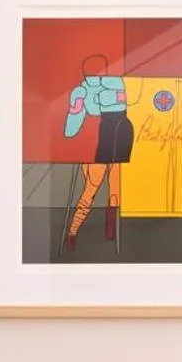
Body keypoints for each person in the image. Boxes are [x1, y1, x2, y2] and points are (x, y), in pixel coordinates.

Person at [60, 55, 135, 252]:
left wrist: (69, 136)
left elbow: (72, 125)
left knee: (92, 190)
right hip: (121, 134)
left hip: (100, 140)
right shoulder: (118, 83)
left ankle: (74, 233)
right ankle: (103, 233)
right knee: (112, 189)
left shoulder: (81, 92)